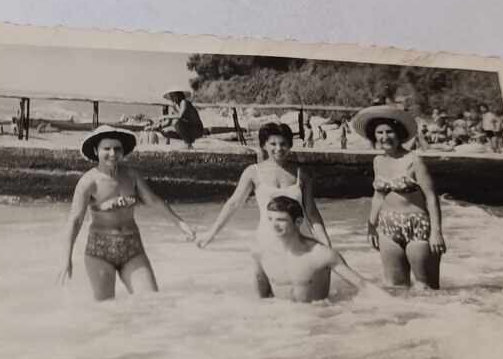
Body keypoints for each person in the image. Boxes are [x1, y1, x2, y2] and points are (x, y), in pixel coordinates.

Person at [58, 126, 196, 301]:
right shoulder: (88, 182)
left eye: (117, 148)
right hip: (100, 251)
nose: (112, 153)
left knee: (152, 303)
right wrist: (66, 257)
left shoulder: (131, 175)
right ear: (96, 151)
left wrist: (181, 224)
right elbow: (75, 220)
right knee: (107, 310)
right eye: (106, 148)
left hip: (133, 249)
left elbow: (153, 200)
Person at [196, 122, 332, 250]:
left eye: (283, 144)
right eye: (273, 144)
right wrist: (210, 234)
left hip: (297, 241)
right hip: (266, 240)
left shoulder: (302, 174)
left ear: (290, 145)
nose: (278, 148)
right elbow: (233, 204)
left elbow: (312, 213)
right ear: (264, 145)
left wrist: (325, 243)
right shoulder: (253, 172)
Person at [353, 106, 446, 289]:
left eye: (389, 132)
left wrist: (436, 232)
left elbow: (431, 198)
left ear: (399, 133)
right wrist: (371, 227)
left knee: (426, 288)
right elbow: (378, 196)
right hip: (387, 227)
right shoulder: (378, 161)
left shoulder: (414, 161)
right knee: (395, 287)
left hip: (418, 226)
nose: (384, 137)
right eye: (380, 132)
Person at [253, 196, 385, 302]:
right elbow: (262, 300)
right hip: (279, 325)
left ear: (298, 222)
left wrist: (397, 306)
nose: (273, 225)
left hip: (316, 324)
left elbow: (363, 285)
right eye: (270, 219)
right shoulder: (262, 254)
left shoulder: (321, 254)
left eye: (281, 220)